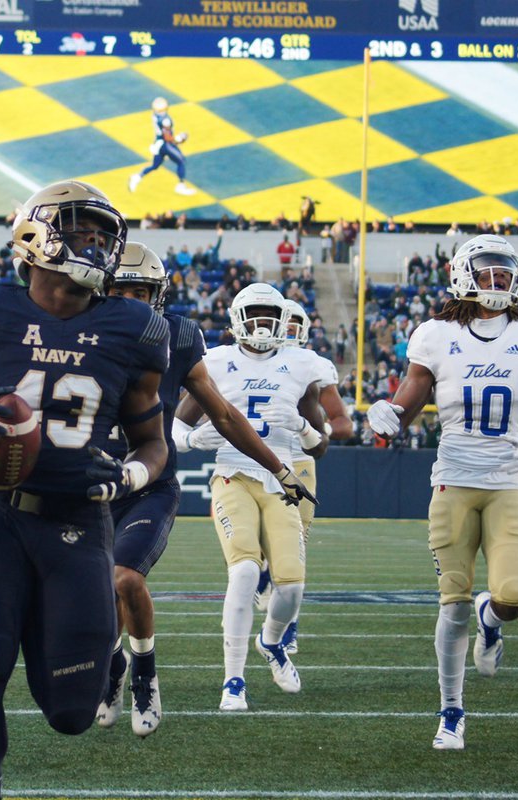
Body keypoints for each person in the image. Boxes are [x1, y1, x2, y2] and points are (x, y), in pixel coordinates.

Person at [0, 180, 172, 800]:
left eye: (104, 235)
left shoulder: (136, 326)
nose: (96, 245)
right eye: (82, 231)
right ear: (35, 234)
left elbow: (154, 444)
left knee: (72, 711)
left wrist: (131, 475)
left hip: (77, 524)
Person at [97, 243, 314, 737]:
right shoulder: (81, 329)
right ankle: (113, 667)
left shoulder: (178, 334)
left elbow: (221, 413)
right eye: (120, 289)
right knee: (93, 597)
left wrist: (280, 466)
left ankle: (145, 674)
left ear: (159, 295)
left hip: (149, 480)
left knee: (125, 578)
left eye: (141, 291)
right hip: (90, 479)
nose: (130, 300)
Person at [367, 234, 518, 750]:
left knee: (513, 598)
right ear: (462, 275)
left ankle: (491, 619)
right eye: (487, 273)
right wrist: (384, 415)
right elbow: (403, 409)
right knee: (452, 604)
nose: (497, 282)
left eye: (505, 273)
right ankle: (451, 711)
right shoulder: (435, 335)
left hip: (505, 486)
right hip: (452, 482)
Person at [175, 283, 329, 711]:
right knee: (244, 572)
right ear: (237, 318)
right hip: (232, 474)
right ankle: (234, 681)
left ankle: (272, 641)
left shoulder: (301, 365)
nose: (262, 324)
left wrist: (302, 428)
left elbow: (321, 447)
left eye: (269, 315)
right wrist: (191, 441)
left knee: (292, 588)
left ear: (284, 320)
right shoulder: (217, 361)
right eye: (254, 314)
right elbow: (175, 424)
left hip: (282, 479)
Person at [253, 298, 355, 654]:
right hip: (256, 460)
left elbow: (343, 424)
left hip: (299, 461)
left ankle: (289, 625)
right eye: (287, 323)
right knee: (251, 540)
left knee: (295, 546)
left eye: (297, 324)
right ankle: (263, 572)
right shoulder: (249, 358)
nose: (290, 331)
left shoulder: (312, 365)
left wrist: (313, 429)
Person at [128, 97, 195, 196]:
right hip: (165, 144)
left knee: (155, 166)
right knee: (181, 161)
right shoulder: (165, 119)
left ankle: (137, 177)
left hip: (158, 143)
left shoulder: (155, 116)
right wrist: (178, 139)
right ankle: (180, 185)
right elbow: (167, 137)